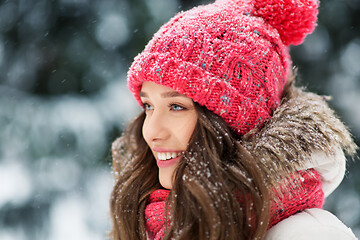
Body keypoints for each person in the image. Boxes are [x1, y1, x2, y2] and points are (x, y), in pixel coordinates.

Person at [110, 0, 358, 239]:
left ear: (238, 122)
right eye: (148, 106)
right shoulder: (153, 224)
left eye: (176, 106)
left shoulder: (311, 235)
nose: (151, 131)